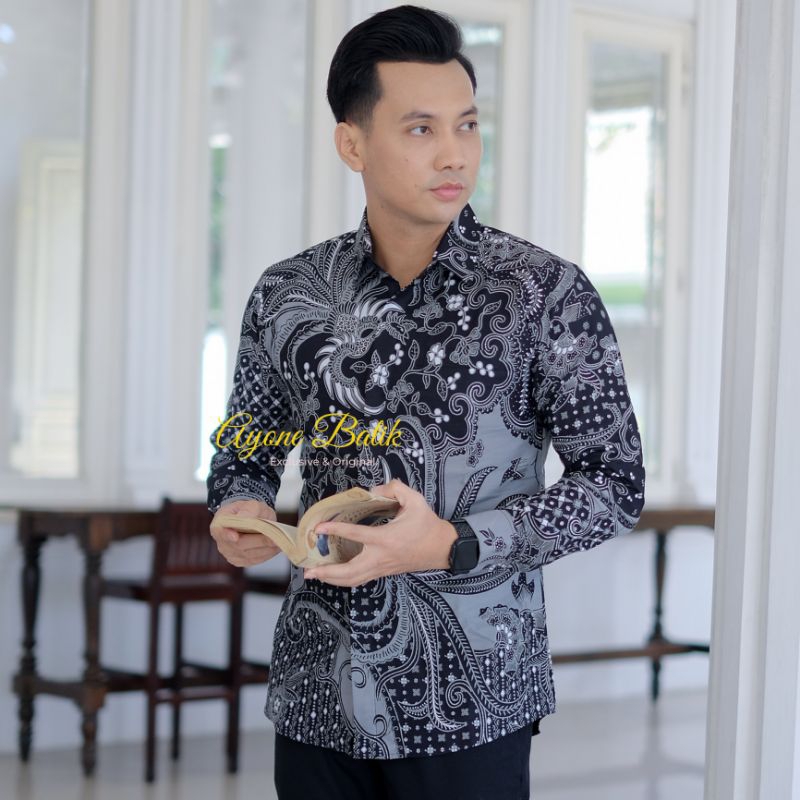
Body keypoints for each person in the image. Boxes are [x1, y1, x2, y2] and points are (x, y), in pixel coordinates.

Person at [207, 5, 645, 799]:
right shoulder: (286, 295)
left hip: (474, 702)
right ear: (352, 144)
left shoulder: (544, 293)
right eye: (420, 129)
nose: (455, 153)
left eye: (467, 125)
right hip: (316, 692)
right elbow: (248, 444)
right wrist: (241, 505)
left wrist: (454, 543)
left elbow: (614, 486)